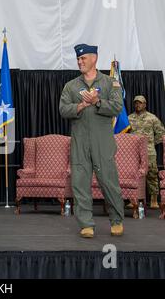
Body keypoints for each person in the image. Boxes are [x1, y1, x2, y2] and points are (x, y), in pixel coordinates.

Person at [59, 43, 124, 238]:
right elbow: (63, 109)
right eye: (78, 59)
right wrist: (80, 106)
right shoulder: (71, 86)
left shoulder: (109, 83)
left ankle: (117, 220)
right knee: (80, 182)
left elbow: (117, 108)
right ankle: (86, 223)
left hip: (102, 141)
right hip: (79, 141)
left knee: (109, 181)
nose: (80, 62)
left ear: (94, 58)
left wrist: (97, 102)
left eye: (83, 58)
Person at [128, 95, 165, 209]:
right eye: (136, 103)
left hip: (148, 151)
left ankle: (154, 200)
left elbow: (161, 133)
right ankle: (132, 199)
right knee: (132, 175)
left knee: (152, 174)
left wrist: (150, 143)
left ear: (145, 104)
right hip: (132, 152)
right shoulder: (129, 118)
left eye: (140, 103)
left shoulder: (152, 118)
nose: (137, 105)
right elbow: (123, 134)